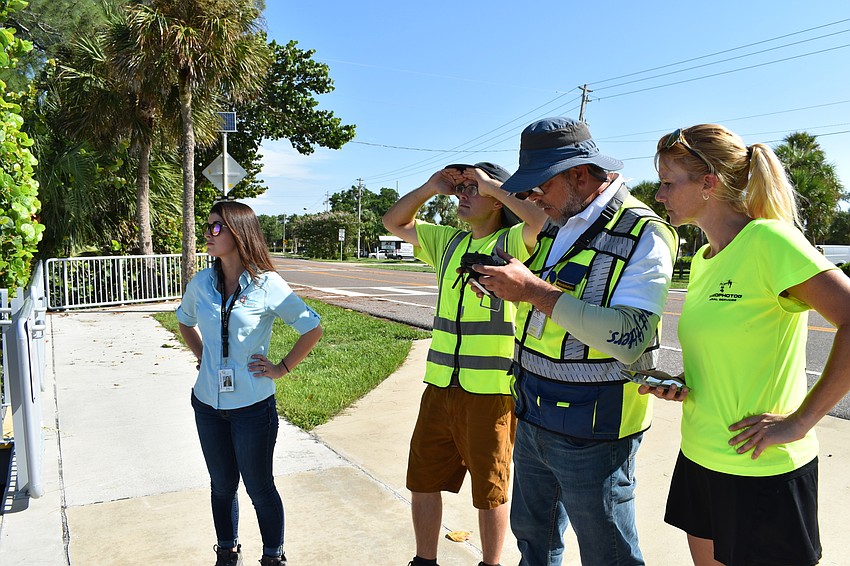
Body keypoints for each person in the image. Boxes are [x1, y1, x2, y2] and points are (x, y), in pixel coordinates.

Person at [470, 117, 679, 566]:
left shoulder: (644, 232)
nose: (530, 197)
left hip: (595, 429)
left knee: (608, 553)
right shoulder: (560, 221)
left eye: (539, 185)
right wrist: (506, 284)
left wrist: (531, 290)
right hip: (534, 411)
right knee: (534, 541)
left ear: (579, 175)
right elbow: (550, 301)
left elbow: (629, 338)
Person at [645, 124, 850, 566]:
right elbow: (729, 350)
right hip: (700, 455)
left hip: (761, 468)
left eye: (667, 182)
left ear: (708, 184)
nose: (659, 195)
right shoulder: (704, 259)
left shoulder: (769, 240)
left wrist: (801, 421)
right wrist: (682, 382)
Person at [382, 162, 546, 566]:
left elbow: (541, 221)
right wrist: (430, 187)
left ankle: (490, 563)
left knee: (490, 489)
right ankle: (425, 559)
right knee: (422, 479)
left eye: (472, 189)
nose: (462, 195)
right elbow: (392, 222)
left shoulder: (512, 241)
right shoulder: (449, 244)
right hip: (440, 385)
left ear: (495, 199)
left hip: (490, 391)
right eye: (461, 189)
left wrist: (495, 185)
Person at [177, 201, 323, 566]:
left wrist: (282, 367)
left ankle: (273, 556)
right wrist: (202, 358)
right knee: (222, 486)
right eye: (208, 226)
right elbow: (184, 321)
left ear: (238, 233)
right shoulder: (202, 283)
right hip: (207, 405)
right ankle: (227, 551)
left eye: (216, 228)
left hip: (253, 409)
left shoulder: (267, 285)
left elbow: (312, 328)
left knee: (259, 487)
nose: (208, 234)